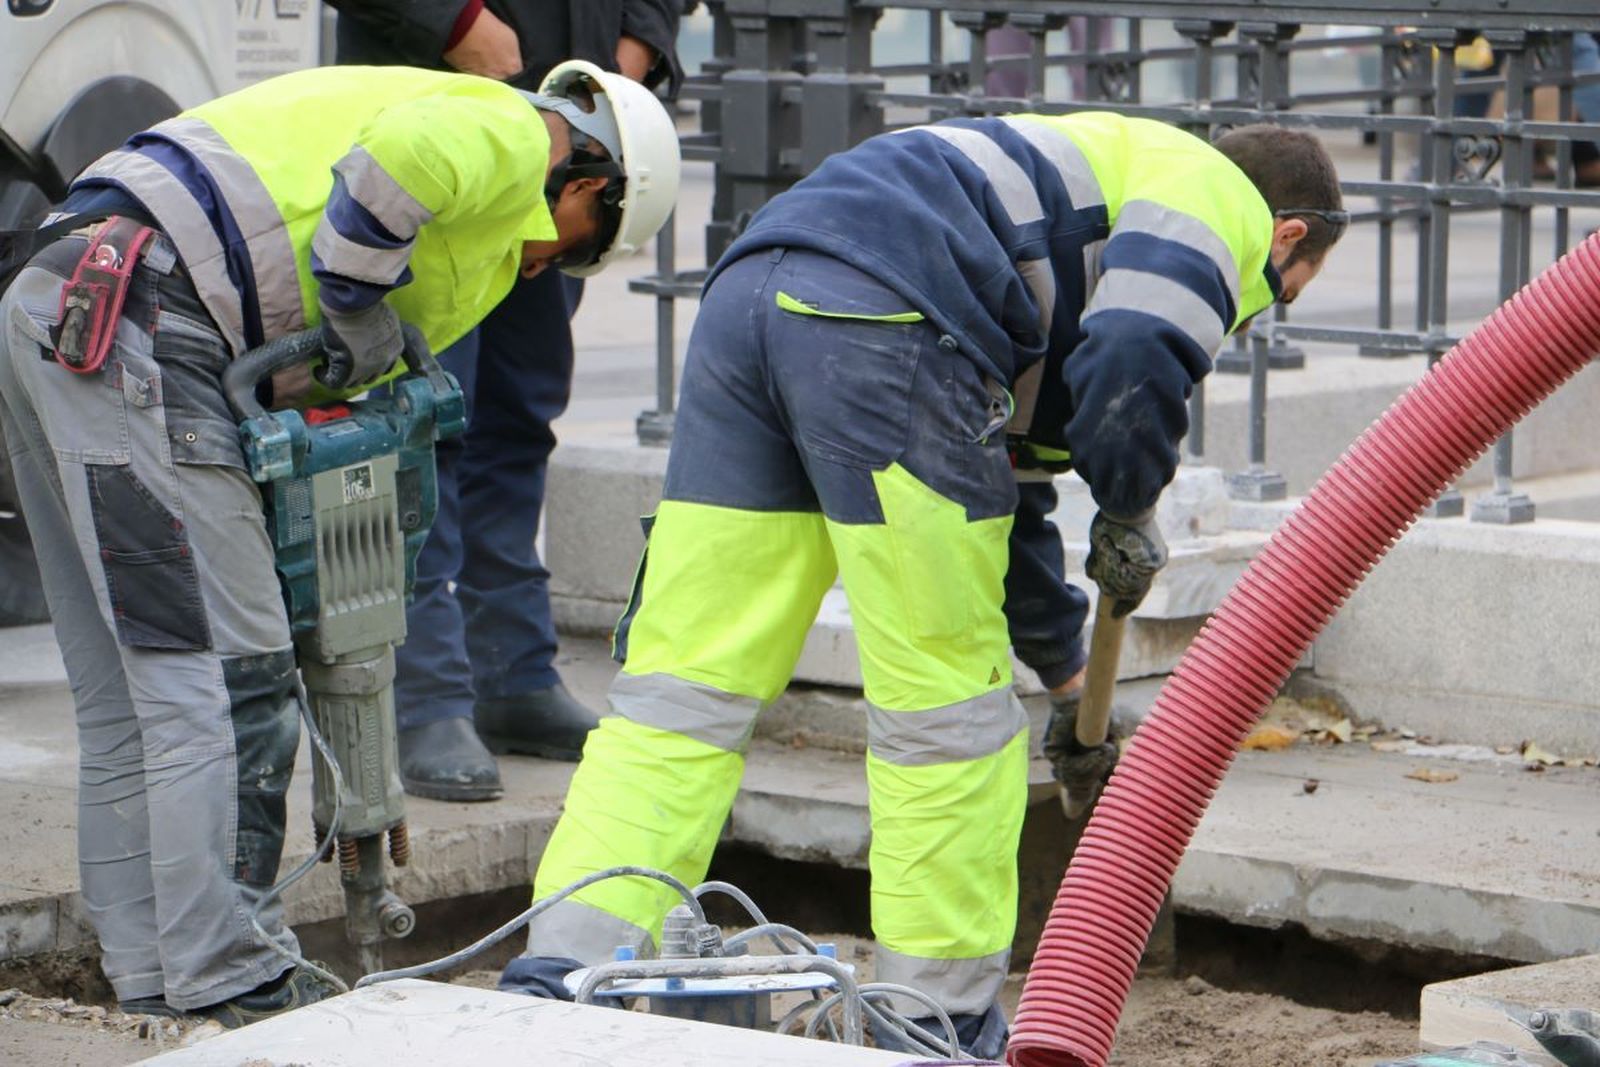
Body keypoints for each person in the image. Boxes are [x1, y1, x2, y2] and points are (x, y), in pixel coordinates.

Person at [499, 113, 1345, 1057]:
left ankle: (564, 971)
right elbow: (1137, 353)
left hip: (756, 294)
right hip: (887, 319)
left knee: (681, 688)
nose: (1256, 302)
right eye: (1282, 290)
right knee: (946, 709)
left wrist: (1070, 683)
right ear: (1288, 236)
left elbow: (1004, 503)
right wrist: (1131, 499)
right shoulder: (1214, 196)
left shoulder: (1070, 216)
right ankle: (936, 1018)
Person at [0, 61, 679, 1025]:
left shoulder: (409, 120)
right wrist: (359, 312)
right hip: (148, 313)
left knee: (135, 686)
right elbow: (393, 168)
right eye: (575, 248)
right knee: (227, 679)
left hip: (63, 298)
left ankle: (154, 975)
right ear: (591, 186)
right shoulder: (512, 128)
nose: (547, 268)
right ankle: (230, 974)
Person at [324, 1, 683, 801]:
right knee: (420, 424)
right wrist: (453, 19)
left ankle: (512, 672)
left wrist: (636, 45)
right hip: (438, 112)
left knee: (519, 419)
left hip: (579, 133)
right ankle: (426, 693)